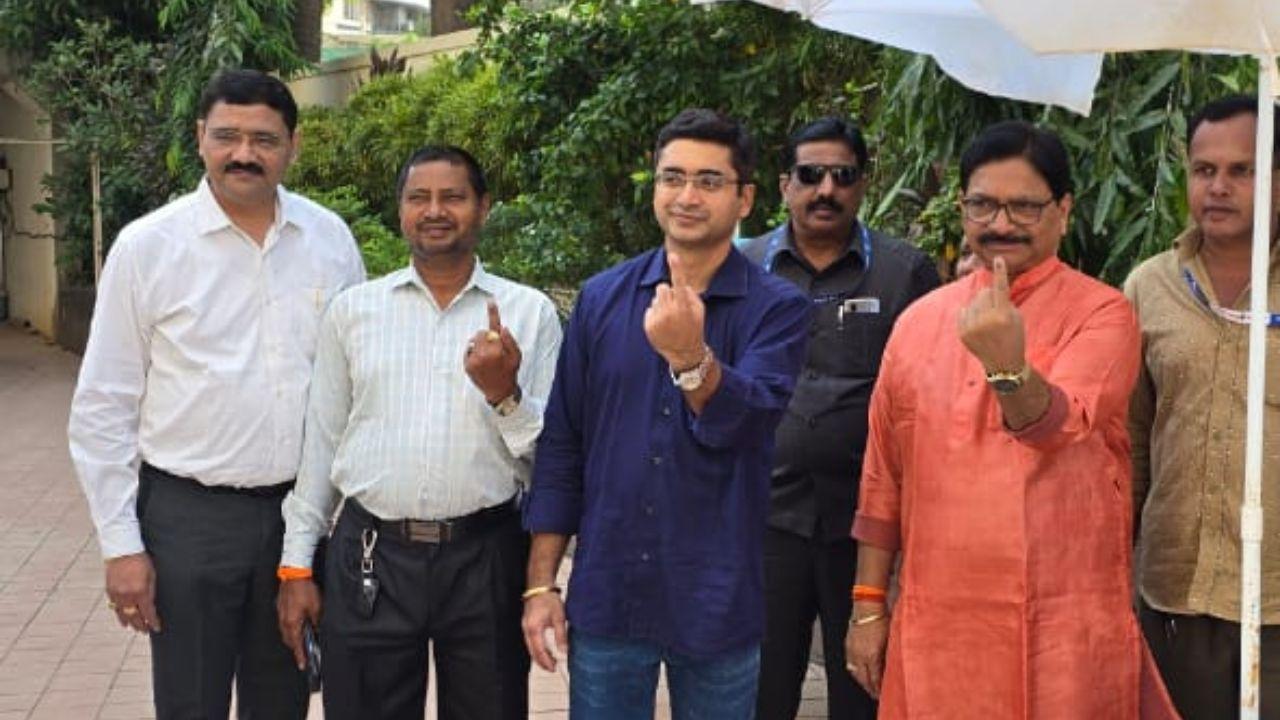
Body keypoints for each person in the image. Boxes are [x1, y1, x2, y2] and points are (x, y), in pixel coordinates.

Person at [843, 120, 1178, 718]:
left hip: (1061, 627)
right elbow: (883, 480)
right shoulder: (918, 322)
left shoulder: (1101, 313)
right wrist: (869, 606)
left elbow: (1059, 427)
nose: (1000, 224)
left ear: (1064, 211)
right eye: (982, 205)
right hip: (938, 623)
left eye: (1024, 206)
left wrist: (1006, 364)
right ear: (963, 208)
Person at [67, 69, 365, 719]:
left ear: (294, 146)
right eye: (226, 135)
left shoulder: (330, 240)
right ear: (200, 137)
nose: (244, 154)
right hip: (188, 521)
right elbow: (103, 405)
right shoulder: (149, 247)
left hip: (300, 515)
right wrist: (121, 545)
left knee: (284, 698)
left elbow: (353, 380)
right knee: (190, 702)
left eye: (264, 138)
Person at [521, 108, 811, 719]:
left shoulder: (777, 307)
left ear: (745, 199)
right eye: (672, 177)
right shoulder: (604, 297)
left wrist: (689, 357)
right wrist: (542, 583)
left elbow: (747, 420)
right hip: (609, 590)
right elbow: (563, 445)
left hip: (717, 596)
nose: (686, 196)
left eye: (709, 181)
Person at [276, 145, 563, 719]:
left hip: (486, 557)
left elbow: (552, 465)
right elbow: (323, 447)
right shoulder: (354, 312)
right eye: (419, 198)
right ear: (401, 210)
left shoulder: (528, 313)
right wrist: (296, 566)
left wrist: (503, 394)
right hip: (371, 557)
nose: (435, 211)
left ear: (483, 208)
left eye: (453, 197)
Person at [739, 116, 939, 720]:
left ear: (862, 184)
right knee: (759, 689)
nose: (825, 189)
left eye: (842, 175)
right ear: (783, 184)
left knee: (865, 688)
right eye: (810, 174)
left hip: (865, 531)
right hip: (763, 522)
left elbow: (927, 397)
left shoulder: (906, 273)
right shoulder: (741, 270)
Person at [1125, 95, 1280, 720]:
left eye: (1241, 171)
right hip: (1174, 594)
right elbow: (1131, 438)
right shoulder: (1148, 286)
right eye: (1203, 169)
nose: (1218, 187)